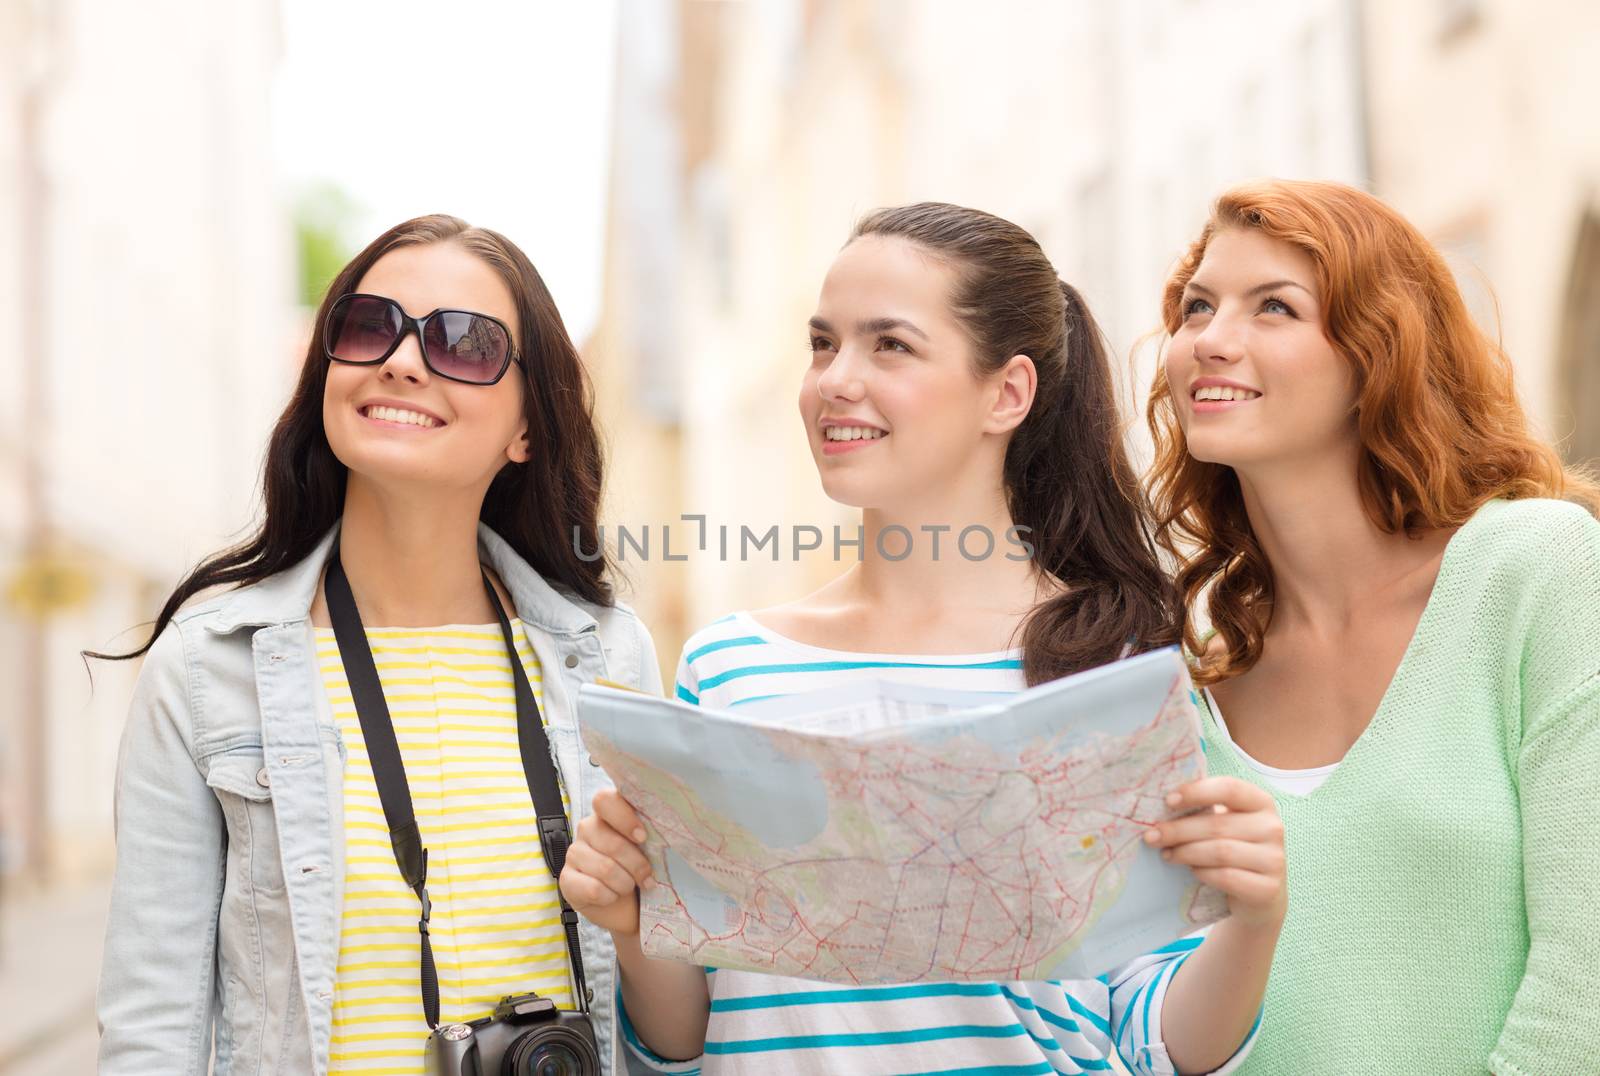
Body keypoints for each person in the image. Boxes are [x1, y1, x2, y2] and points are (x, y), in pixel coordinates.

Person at [561, 203, 1286, 1075]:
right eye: (823, 344)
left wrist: (1255, 921)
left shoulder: (1111, 665)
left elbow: (1154, 1040)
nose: (835, 379)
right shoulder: (730, 667)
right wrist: (635, 920)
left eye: (890, 346)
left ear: (1007, 393)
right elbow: (689, 1040)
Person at [94, 215, 660, 1074]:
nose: (400, 360)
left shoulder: (610, 660)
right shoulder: (208, 668)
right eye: (368, 326)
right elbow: (150, 1032)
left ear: (528, 429)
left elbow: (673, 1028)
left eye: (464, 343)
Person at [1146, 178, 1600, 1074]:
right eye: (1199, 307)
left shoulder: (1536, 572)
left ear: (1377, 353)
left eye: (1274, 307)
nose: (1212, 341)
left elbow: (1586, 977)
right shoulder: (1183, 690)